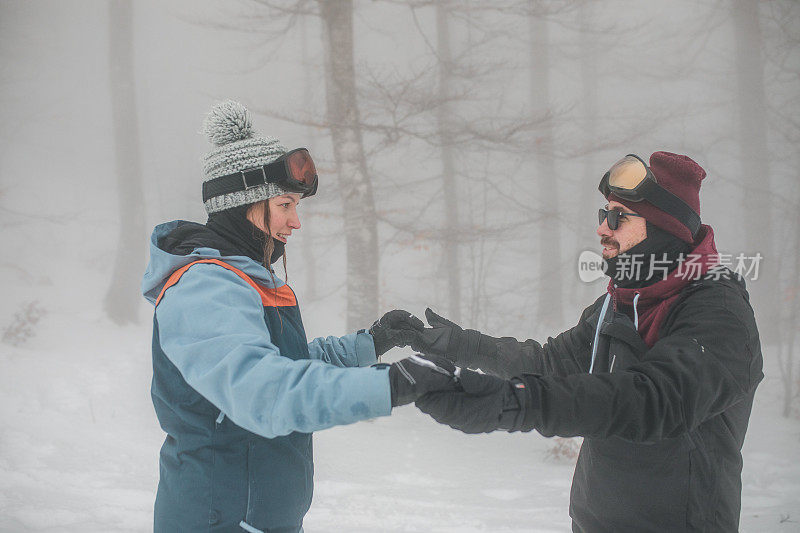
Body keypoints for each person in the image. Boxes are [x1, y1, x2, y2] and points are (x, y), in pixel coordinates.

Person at [385, 152, 764, 532]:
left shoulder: (720, 312)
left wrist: (519, 402)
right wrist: (462, 345)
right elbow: (550, 363)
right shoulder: (615, 304)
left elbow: (654, 400)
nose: (602, 229)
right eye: (604, 215)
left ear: (664, 229)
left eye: (618, 217)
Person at [141, 100, 459, 533]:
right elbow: (263, 390)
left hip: (259, 519)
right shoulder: (205, 286)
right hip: (217, 521)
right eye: (285, 204)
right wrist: (391, 383)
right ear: (244, 205)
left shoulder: (247, 279)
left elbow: (285, 364)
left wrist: (373, 342)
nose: (296, 222)